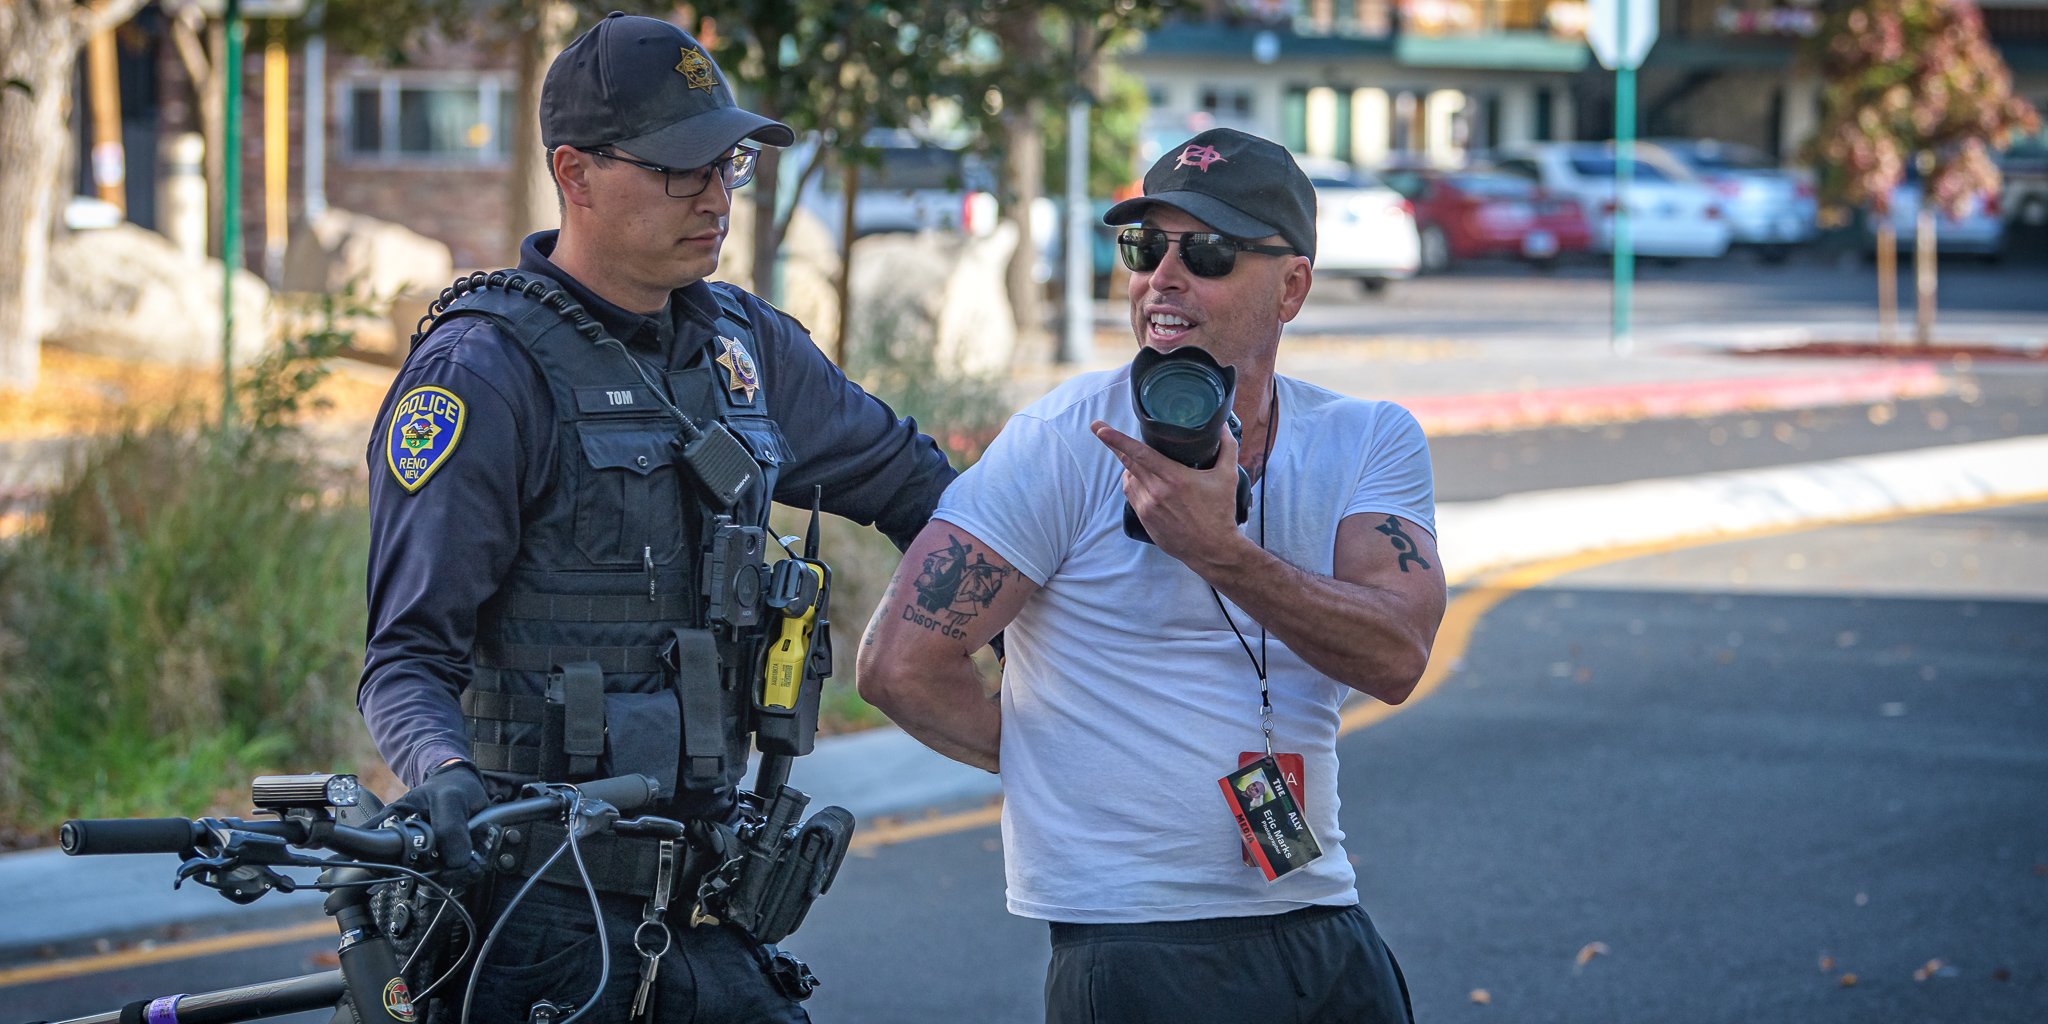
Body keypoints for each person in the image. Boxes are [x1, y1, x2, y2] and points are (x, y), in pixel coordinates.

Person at [359, 13, 956, 1022]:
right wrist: (445, 777)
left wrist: (1033, 623)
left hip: (711, 905)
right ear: (574, 173)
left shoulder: (743, 350)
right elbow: (404, 660)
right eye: (682, 172)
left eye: (727, 169)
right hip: (535, 918)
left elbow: (921, 491)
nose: (716, 199)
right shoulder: (481, 374)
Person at [858, 127, 1446, 1024]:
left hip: (1319, 914)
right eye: (1145, 246)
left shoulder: (1367, 438)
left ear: (1292, 286)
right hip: (1137, 941)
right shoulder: (1063, 442)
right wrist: (1064, 765)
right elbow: (900, 664)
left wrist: (1220, 551)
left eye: (1207, 252)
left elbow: (1396, 654)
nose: (1163, 278)